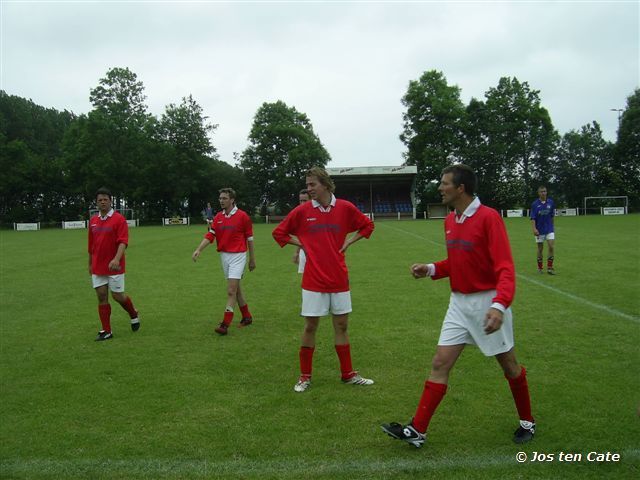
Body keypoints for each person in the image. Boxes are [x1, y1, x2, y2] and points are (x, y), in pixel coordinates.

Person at [381, 164, 535, 448]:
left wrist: (499, 306)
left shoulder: (489, 218)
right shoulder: (450, 220)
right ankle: (417, 431)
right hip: (458, 305)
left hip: (488, 303)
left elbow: (505, 268)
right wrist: (429, 268)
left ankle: (527, 421)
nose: (440, 188)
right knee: (440, 362)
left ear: (460, 188)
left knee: (509, 366)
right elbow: (457, 263)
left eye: (444, 183)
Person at [272, 167, 375, 393]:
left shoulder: (345, 208)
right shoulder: (303, 211)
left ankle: (348, 374)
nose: (309, 190)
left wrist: (349, 241)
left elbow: (368, 225)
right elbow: (279, 233)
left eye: (312, 185)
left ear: (326, 185)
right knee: (311, 326)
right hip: (313, 280)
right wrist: (300, 243)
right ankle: (304, 377)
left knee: (342, 325)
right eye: (307, 185)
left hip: (339, 277)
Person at [192, 187, 256, 335]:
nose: (221, 201)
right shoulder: (218, 217)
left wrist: (252, 259)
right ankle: (247, 317)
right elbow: (210, 235)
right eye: (220, 198)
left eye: (224, 198)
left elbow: (250, 240)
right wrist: (199, 249)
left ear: (232, 200)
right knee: (237, 288)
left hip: (238, 256)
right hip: (224, 257)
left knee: (231, 290)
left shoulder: (243, 216)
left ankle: (225, 324)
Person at [88, 187, 140, 341]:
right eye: (100, 200)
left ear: (110, 201)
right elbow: (91, 245)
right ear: (96, 203)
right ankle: (106, 330)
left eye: (105, 199)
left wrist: (116, 259)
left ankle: (133, 313)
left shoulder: (119, 219)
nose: (103, 202)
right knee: (101, 296)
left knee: (117, 296)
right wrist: (90, 263)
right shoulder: (93, 221)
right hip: (98, 265)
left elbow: (123, 241)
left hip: (115, 265)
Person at [530, 186, 556, 275]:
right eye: (541, 192)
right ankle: (540, 268)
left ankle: (550, 268)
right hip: (539, 230)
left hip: (549, 229)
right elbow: (533, 218)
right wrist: (534, 229)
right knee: (540, 249)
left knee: (551, 247)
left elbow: (552, 215)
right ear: (538, 193)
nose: (543, 193)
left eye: (545, 191)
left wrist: (552, 227)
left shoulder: (551, 202)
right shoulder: (534, 204)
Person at [292, 189, 311, 273]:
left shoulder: (319, 212)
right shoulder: (299, 215)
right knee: (305, 275)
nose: (302, 203)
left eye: (305, 201)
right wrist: (297, 252)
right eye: (301, 201)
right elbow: (301, 236)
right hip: (304, 250)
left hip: (318, 251)